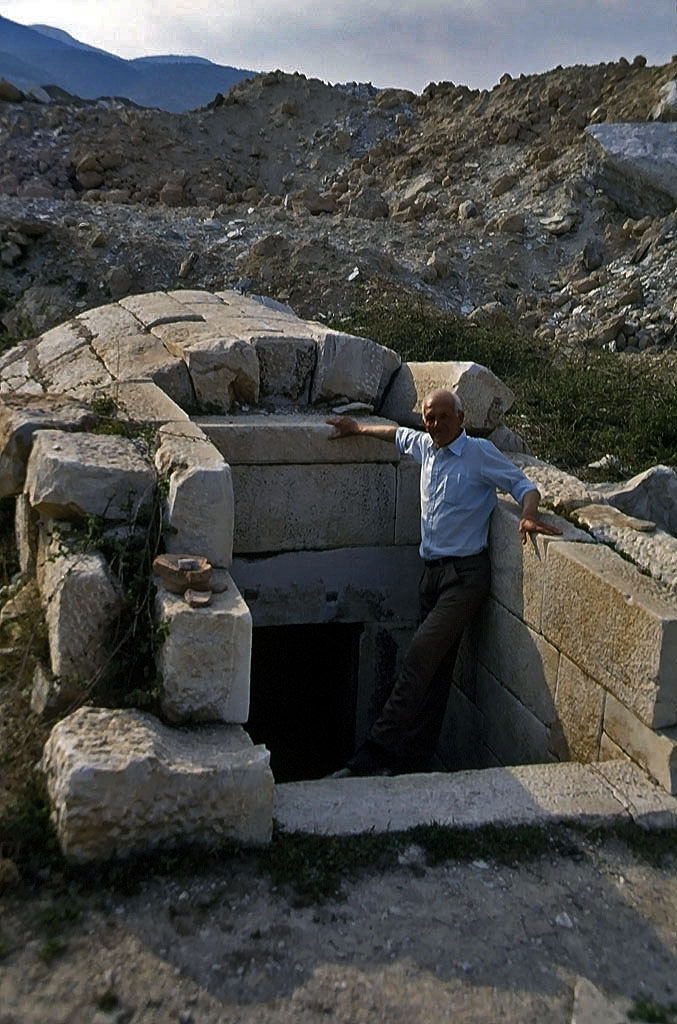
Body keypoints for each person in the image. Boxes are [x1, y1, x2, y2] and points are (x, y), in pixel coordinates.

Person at [326, 388, 561, 777]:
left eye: (443, 417)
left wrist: (528, 514)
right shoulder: (425, 446)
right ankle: (414, 762)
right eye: (429, 417)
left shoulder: (478, 454)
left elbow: (524, 486)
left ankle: (373, 755)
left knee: (419, 658)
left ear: (461, 419)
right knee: (435, 674)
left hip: (465, 578)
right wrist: (356, 428)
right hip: (431, 576)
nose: (435, 424)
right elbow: (395, 436)